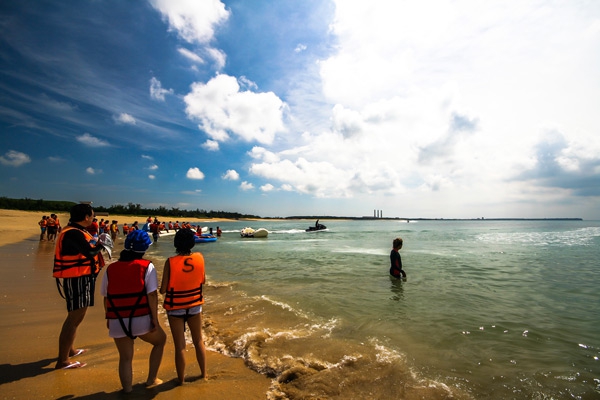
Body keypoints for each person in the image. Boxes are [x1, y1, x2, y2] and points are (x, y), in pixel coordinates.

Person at [101, 230, 166, 393]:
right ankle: (152, 379)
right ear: (144, 249)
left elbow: (106, 297)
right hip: (141, 318)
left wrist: (108, 317)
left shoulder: (111, 269)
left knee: (125, 357)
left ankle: (128, 390)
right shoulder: (147, 266)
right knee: (160, 341)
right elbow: (152, 295)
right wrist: (155, 320)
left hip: (117, 319)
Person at [53, 203, 106, 369]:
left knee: (77, 316)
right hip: (77, 278)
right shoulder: (74, 233)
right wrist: (101, 244)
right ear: (86, 217)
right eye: (92, 215)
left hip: (81, 277)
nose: (93, 218)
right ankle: (62, 361)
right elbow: (89, 252)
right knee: (74, 318)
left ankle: (70, 350)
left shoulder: (77, 231)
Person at [160, 228, 207, 384]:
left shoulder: (170, 262)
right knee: (198, 340)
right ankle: (204, 374)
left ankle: (181, 380)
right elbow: (203, 280)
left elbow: (163, 289)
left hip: (175, 307)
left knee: (180, 345)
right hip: (194, 305)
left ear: (176, 243)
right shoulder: (200, 258)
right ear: (192, 243)